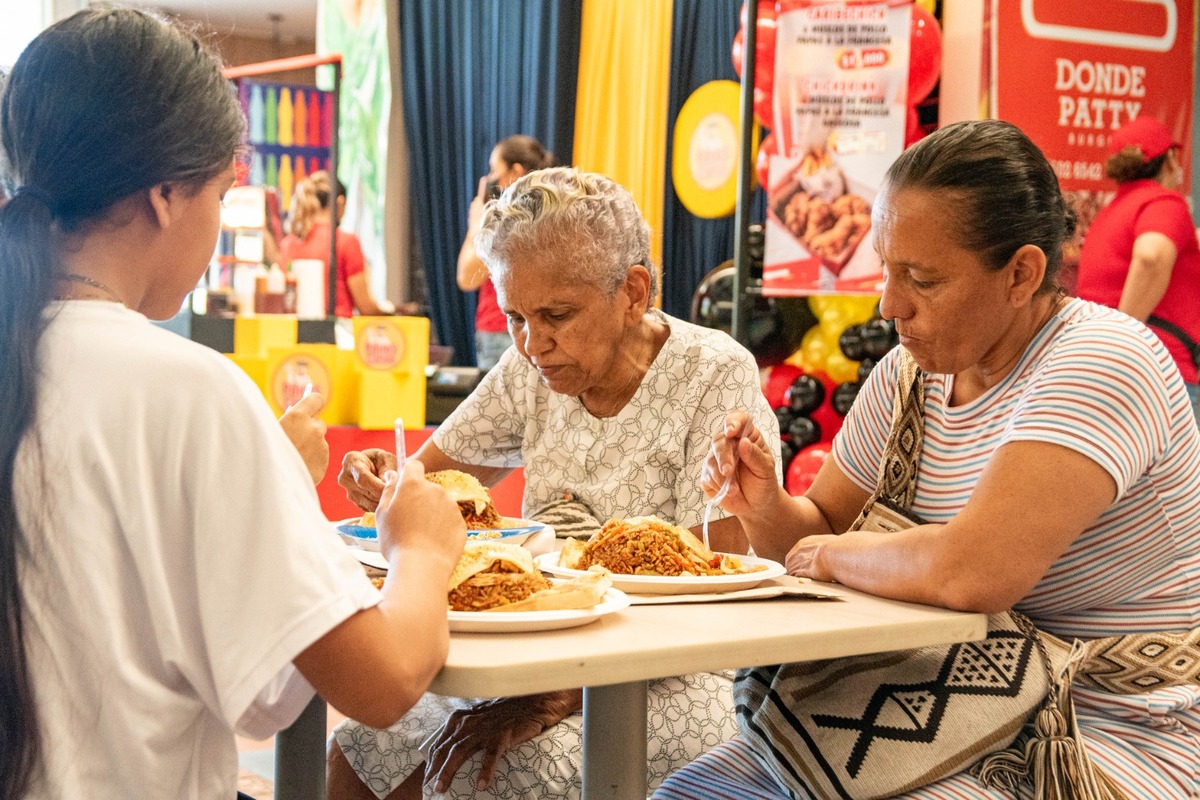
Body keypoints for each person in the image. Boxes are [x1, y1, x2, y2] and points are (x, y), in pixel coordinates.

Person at [653, 119, 1200, 799]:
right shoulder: (908, 377)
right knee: (693, 791)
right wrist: (765, 506)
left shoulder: (1102, 360)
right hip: (940, 704)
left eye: (923, 278)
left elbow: (972, 571)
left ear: (1023, 273)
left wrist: (824, 554)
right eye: (887, 268)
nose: (890, 304)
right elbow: (817, 522)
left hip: (1110, 729)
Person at [0, 9, 467, 799]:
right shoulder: (187, 389)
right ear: (167, 194)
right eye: (223, 193)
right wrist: (419, 546)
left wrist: (265, 474)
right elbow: (383, 683)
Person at [327, 167, 780, 800]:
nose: (533, 343)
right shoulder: (529, 367)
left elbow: (718, 583)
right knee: (357, 750)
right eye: (514, 316)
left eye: (556, 315)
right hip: (540, 653)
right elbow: (424, 478)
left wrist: (563, 687)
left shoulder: (712, 375)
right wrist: (385, 479)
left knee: (486, 778)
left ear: (633, 291)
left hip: (680, 669)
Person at [1076, 115, 1200, 424]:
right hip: (1165, 373)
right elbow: (1151, 256)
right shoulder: (1164, 202)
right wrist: (1126, 336)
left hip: (1119, 375)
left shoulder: (1110, 213)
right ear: (1170, 158)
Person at [456, 135, 556, 370]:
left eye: (494, 170)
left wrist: (475, 226)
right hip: (531, 329)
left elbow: (467, 276)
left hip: (503, 330)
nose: (489, 179)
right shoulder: (550, 212)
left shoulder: (509, 219)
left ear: (516, 173)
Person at [281, 170, 409, 318]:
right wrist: (392, 312)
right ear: (340, 203)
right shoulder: (346, 242)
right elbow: (365, 307)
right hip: (338, 333)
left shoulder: (289, 244)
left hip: (294, 333)